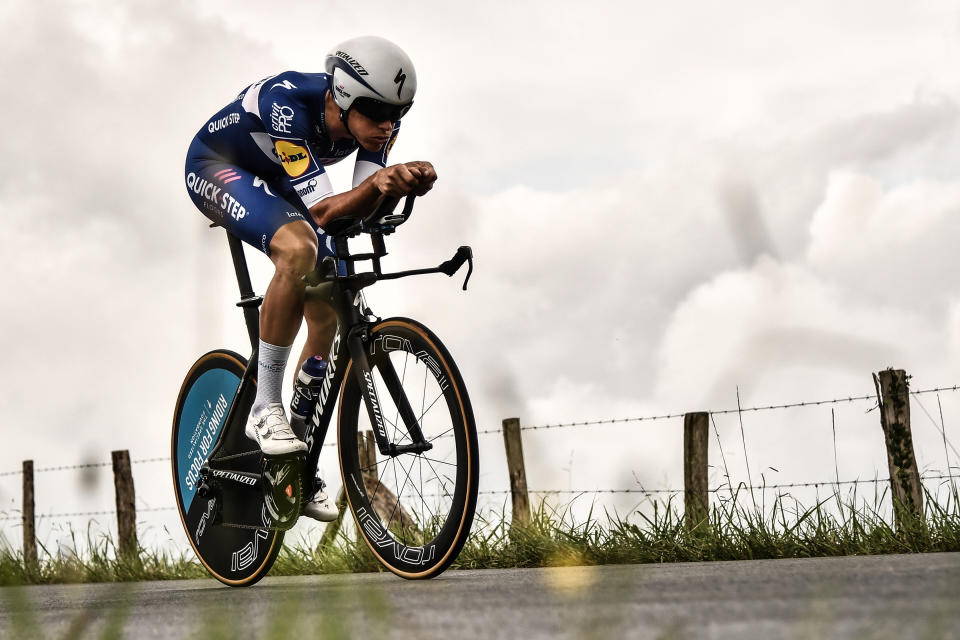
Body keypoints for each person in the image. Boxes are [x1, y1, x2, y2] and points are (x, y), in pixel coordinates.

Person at [184, 36, 436, 521]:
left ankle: (294, 456)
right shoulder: (287, 103)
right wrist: (377, 185)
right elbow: (322, 210)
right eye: (377, 111)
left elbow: (363, 201)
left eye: (397, 114)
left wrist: (399, 184)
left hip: (278, 178)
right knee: (299, 250)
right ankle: (265, 408)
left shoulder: (382, 127)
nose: (387, 126)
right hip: (218, 167)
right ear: (342, 94)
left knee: (327, 293)